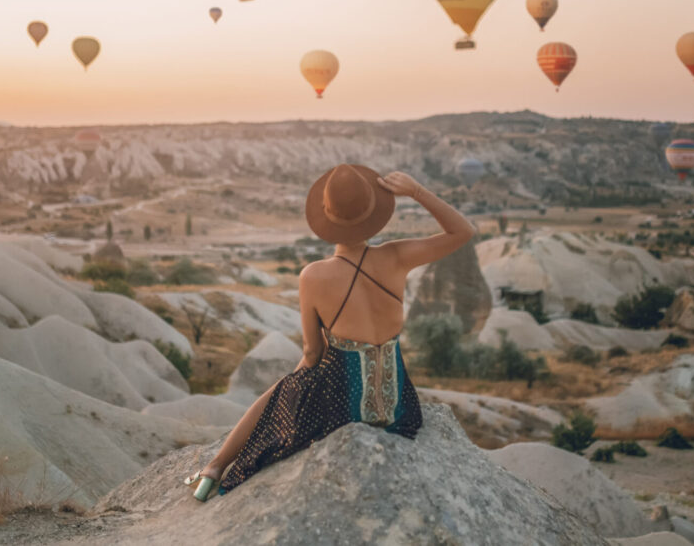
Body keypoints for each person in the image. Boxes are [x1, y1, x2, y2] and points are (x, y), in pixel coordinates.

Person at [183, 164, 476, 500]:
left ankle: (215, 467)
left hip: (342, 412)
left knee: (284, 389)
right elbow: (463, 232)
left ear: (326, 216)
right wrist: (417, 192)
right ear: (373, 213)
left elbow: (311, 355)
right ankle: (216, 466)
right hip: (401, 412)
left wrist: (289, 392)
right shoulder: (396, 256)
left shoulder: (313, 276)